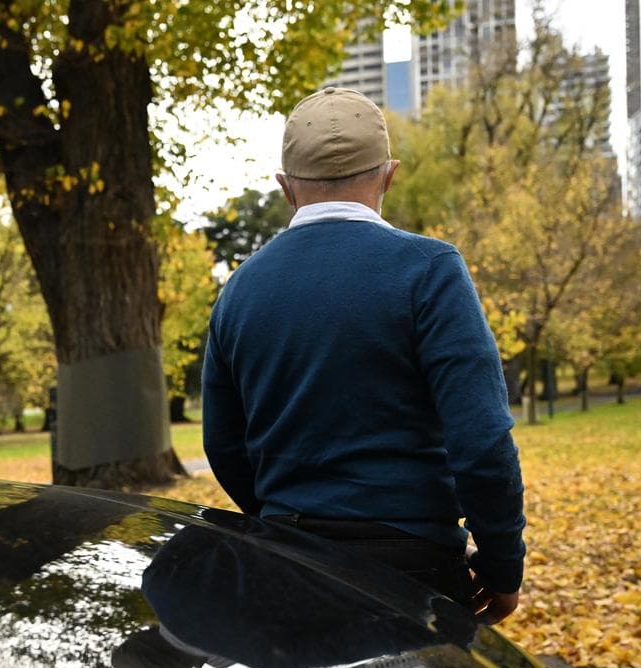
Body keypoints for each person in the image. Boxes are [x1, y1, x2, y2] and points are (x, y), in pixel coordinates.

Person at [201, 87, 525, 624]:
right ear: (389, 175)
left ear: (285, 188)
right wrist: (502, 566)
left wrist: (276, 522)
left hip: (288, 563)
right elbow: (482, 441)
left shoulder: (240, 289)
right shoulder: (429, 270)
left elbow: (223, 443)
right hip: (413, 569)